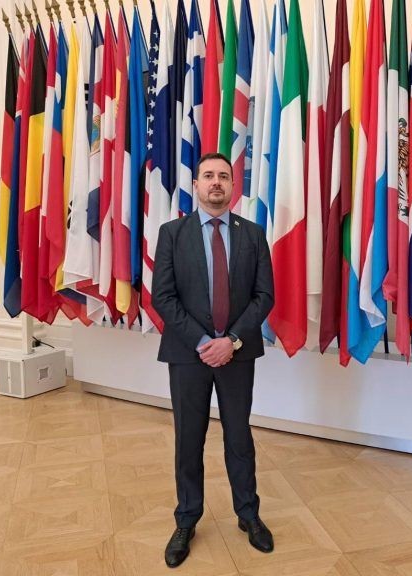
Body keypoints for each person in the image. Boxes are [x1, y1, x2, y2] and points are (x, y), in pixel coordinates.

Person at [152, 152, 275, 567]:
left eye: (223, 175)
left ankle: (249, 514)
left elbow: (264, 296)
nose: (216, 182)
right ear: (197, 185)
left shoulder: (253, 234)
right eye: (208, 175)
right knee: (189, 439)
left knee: (239, 437)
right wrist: (205, 342)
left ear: (233, 185)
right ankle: (187, 519)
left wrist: (232, 341)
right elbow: (163, 296)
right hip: (188, 355)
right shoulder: (172, 233)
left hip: (238, 355)